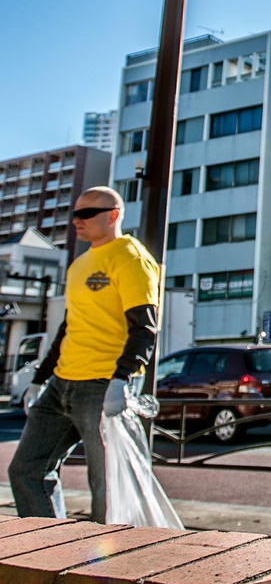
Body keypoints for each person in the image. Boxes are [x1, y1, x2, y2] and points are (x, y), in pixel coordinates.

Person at [10, 187, 159, 522]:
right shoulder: (78, 265)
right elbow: (68, 327)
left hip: (101, 384)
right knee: (26, 470)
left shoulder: (131, 257)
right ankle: (50, 551)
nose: (77, 221)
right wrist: (39, 378)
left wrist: (121, 380)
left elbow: (145, 327)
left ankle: (102, 566)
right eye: (74, 214)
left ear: (113, 215)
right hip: (61, 384)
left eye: (86, 214)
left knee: (107, 487)